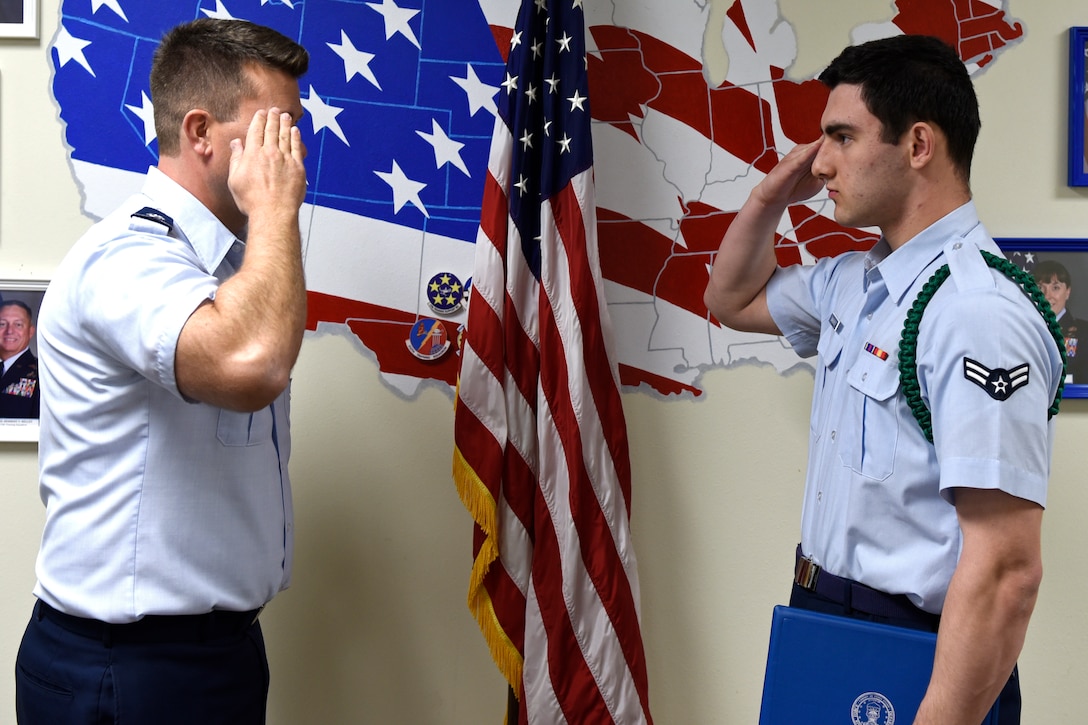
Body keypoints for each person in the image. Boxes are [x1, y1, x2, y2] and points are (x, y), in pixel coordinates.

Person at [704, 35, 1062, 725]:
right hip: (822, 626)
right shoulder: (853, 281)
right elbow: (729, 299)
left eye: (841, 136)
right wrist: (770, 193)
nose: (823, 163)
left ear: (919, 144)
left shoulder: (974, 312)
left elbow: (1006, 570)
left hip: (914, 654)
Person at [15, 18, 309, 724]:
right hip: (125, 667)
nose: (291, 156)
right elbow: (253, 363)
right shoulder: (128, 259)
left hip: (220, 651)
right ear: (202, 132)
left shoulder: (239, 266)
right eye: (274, 131)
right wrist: (275, 209)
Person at [1032, 259, 1088, 383]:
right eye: (1040, 287)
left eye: (1055, 288)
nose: (1046, 296)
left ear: (1067, 292)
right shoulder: (1023, 330)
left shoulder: (1085, 332)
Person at [0, 299, 39, 419]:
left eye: (18, 324)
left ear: (30, 331)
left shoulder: (41, 373)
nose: (9, 331)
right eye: (2, 324)